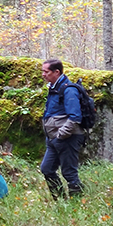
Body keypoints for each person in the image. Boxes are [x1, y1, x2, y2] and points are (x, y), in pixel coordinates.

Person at [40, 59, 85, 199]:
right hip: (53, 139)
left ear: (57, 72)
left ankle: (76, 203)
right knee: (46, 169)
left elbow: (75, 117)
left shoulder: (69, 89)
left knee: (69, 172)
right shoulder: (53, 88)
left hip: (68, 138)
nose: (43, 74)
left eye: (46, 71)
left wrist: (61, 135)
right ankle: (60, 200)